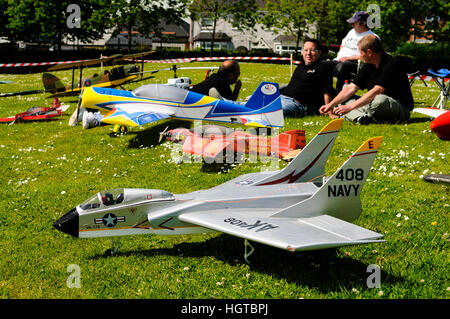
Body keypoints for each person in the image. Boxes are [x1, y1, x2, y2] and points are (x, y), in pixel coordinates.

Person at [319, 35, 414, 124]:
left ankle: (355, 115)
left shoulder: (392, 64)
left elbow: (377, 91)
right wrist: (330, 105)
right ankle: (362, 118)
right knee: (345, 100)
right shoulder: (368, 66)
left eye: (360, 52)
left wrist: (350, 107)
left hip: (398, 106)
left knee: (380, 100)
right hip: (372, 105)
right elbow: (351, 88)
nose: (359, 55)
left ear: (369, 52)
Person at [281, 38, 335, 118]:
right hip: (281, 98)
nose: (308, 53)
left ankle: (261, 129)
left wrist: (330, 112)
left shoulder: (323, 68)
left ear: (319, 53)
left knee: (273, 114)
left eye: (312, 50)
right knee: (259, 106)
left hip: (296, 105)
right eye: (306, 50)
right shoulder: (300, 67)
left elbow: (326, 91)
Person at [332, 11, 379, 92]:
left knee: (341, 68)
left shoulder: (372, 37)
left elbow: (370, 56)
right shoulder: (351, 32)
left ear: (363, 23)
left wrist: (348, 58)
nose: (352, 25)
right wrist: (340, 55)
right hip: (339, 60)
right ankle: (327, 95)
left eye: (354, 23)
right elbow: (343, 44)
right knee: (322, 66)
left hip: (356, 64)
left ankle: (340, 95)